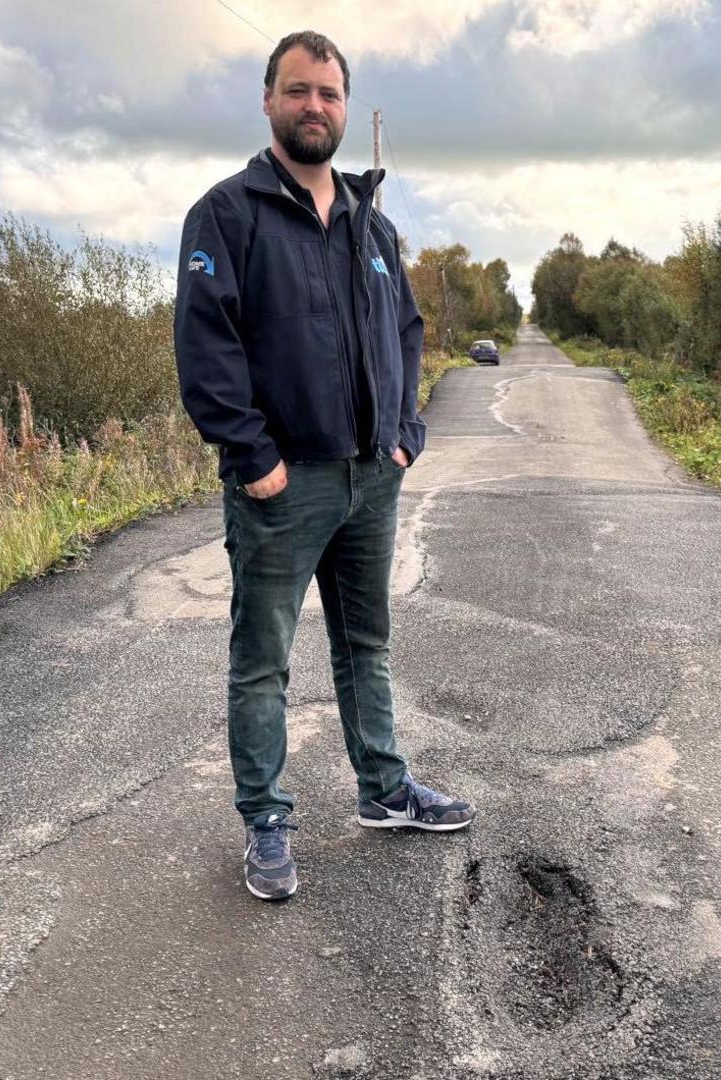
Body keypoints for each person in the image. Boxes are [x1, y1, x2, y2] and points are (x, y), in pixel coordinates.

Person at [173, 30, 477, 902]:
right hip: (283, 483)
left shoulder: (369, 223)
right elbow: (206, 343)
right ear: (269, 100)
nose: (316, 107)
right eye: (300, 91)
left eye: (330, 94)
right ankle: (266, 821)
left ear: (347, 108)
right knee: (263, 658)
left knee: (366, 645)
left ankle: (385, 791)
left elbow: (408, 334)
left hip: (369, 479)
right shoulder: (227, 215)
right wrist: (252, 456)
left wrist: (404, 432)